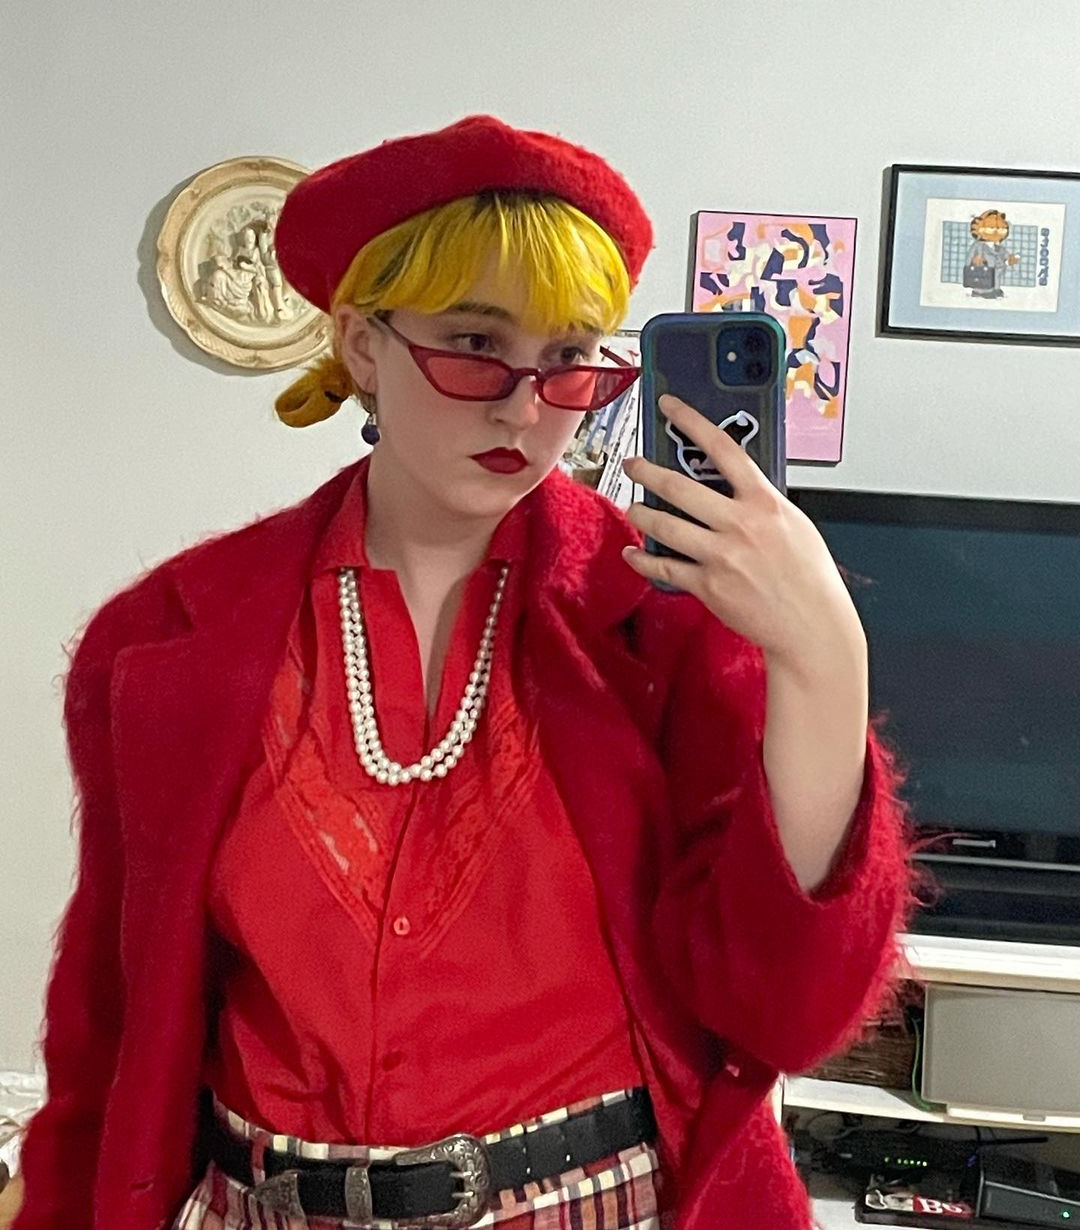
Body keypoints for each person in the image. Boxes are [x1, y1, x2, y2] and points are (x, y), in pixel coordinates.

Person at [15, 115, 911, 1230]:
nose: (524, 405)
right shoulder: (162, 641)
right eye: (475, 342)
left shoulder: (669, 624)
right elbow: (108, 1028)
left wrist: (825, 659)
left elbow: (782, 1012)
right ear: (360, 345)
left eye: (570, 356)